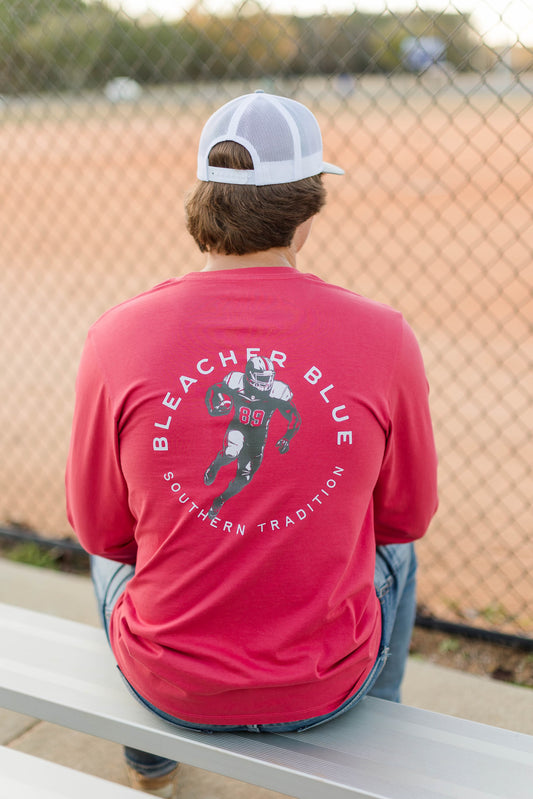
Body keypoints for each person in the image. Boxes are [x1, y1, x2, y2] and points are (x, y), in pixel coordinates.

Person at [66, 90, 438, 797]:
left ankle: (148, 763)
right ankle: (376, 746)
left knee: (111, 552)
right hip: (325, 684)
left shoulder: (117, 335)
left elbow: (101, 529)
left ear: (205, 200)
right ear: (304, 211)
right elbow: (404, 517)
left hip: (169, 684)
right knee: (395, 551)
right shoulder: (384, 335)